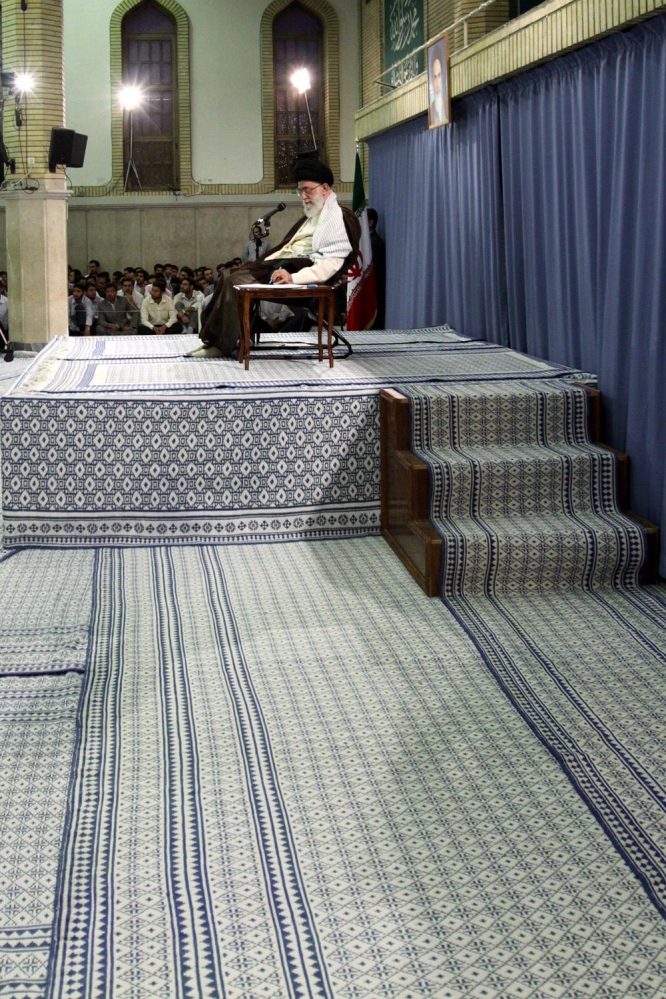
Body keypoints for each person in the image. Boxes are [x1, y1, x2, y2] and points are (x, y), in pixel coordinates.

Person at [192, 157, 354, 358]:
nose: (303, 197)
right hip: (280, 265)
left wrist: (293, 277)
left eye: (307, 190)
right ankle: (212, 340)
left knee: (235, 281)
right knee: (226, 275)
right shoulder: (313, 215)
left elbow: (330, 264)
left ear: (325, 188)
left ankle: (221, 345)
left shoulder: (338, 217)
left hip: (296, 273)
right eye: (300, 191)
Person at [367, 208, 386, 329]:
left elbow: (375, 269)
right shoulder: (363, 242)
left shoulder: (376, 242)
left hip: (372, 286)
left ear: (370, 223)